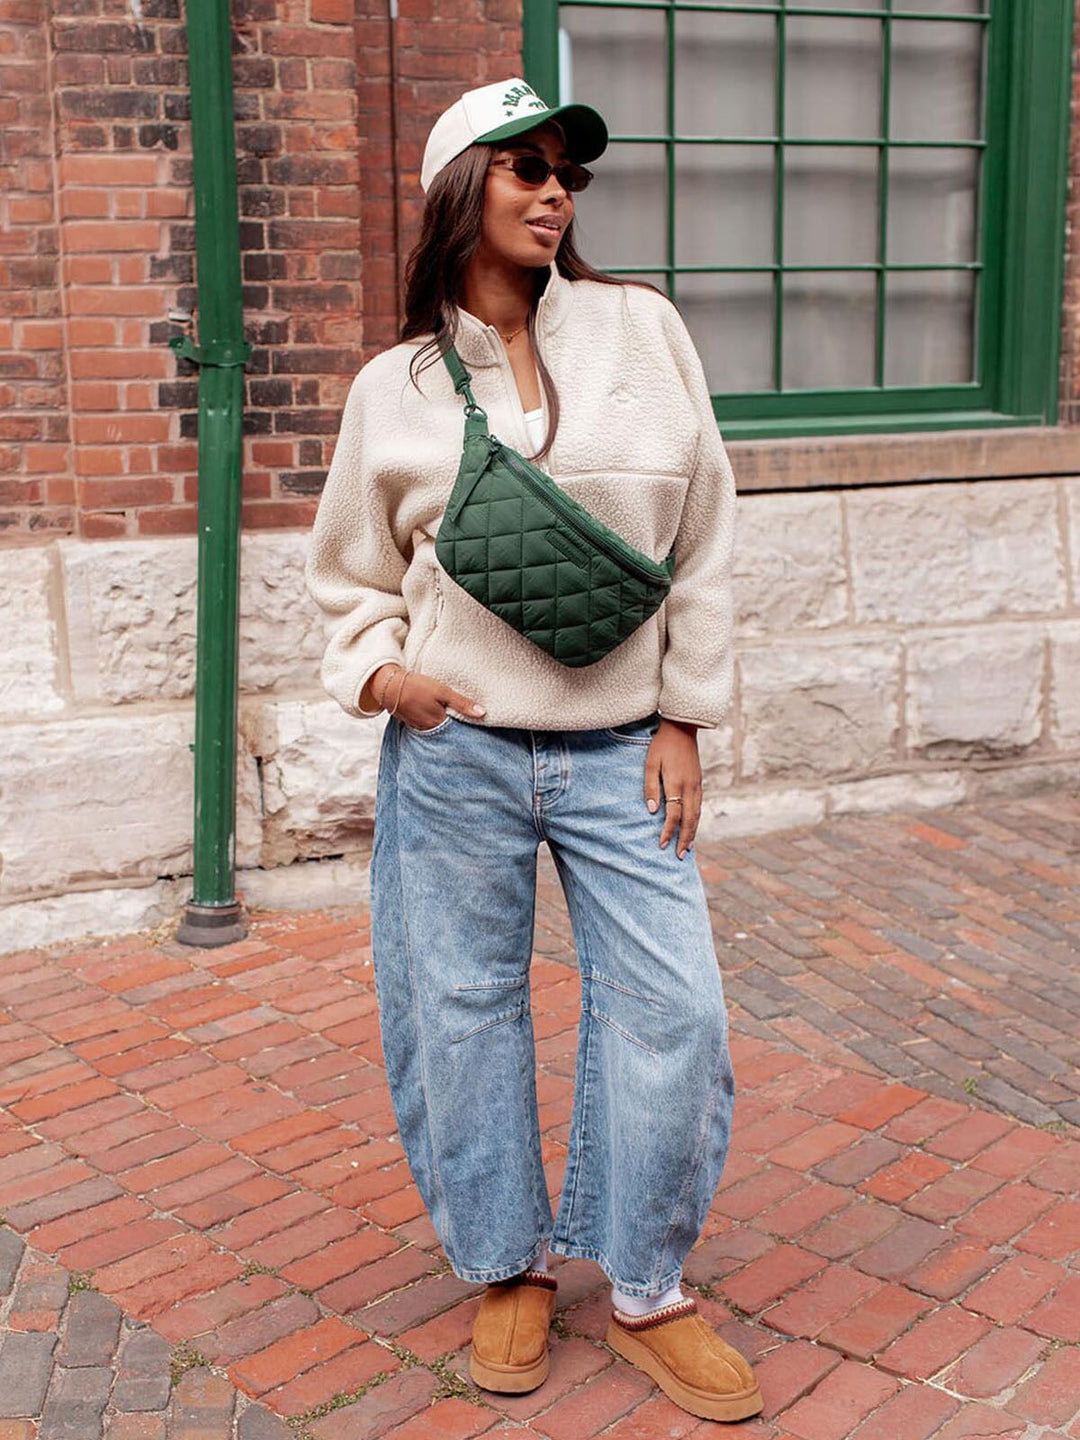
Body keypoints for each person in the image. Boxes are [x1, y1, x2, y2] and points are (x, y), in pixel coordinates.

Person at [305, 77, 763, 1424]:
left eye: (568, 170)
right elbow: (346, 573)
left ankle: (644, 1284)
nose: (556, 191)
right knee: (459, 1011)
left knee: (673, 1010)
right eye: (525, 169)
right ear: (463, 190)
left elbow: (707, 538)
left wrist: (683, 714)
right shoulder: (393, 386)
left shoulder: (644, 330)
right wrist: (384, 674)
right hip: (458, 754)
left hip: (625, 750)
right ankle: (506, 1264)